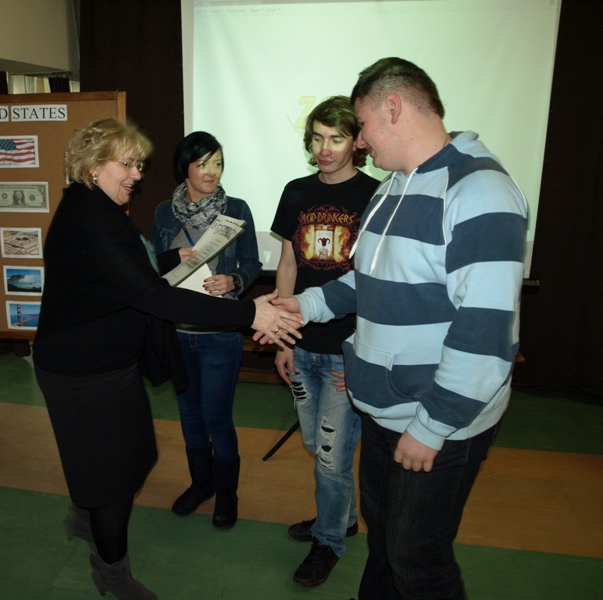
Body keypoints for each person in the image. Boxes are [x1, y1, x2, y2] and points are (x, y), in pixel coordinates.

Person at [266, 57, 528, 599]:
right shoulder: (393, 187)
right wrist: (304, 306)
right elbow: (366, 280)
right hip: (385, 410)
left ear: (392, 107)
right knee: (386, 542)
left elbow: (486, 333)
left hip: (433, 420)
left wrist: (432, 427)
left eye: (361, 126)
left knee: (417, 560)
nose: (359, 142)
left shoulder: (479, 190)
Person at [32, 117, 302, 600]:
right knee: (115, 479)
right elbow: (153, 296)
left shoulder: (94, 207)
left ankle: (83, 518)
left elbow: (131, 278)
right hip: (83, 372)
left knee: (133, 458)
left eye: (139, 164)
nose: (137, 174)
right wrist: (249, 313)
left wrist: (184, 270)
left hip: (107, 366)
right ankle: (111, 572)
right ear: (93, 166)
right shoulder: (91, 218)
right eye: (128, 164)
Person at [271, 96, 379, 587]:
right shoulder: (295, 191)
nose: (324, 149)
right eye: (316, 138)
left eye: (336, 138)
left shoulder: (376, 195)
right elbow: (288, 265)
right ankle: (344, 517)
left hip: (346, 352)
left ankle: (328, 541)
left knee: (332, 458)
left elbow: (375, 279)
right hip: (302, 345)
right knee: (318, 445)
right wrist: (282, 338)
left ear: (357, 142)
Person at [152, 132, 261, 530]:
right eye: (203, 164)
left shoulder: (237, 209)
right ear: (185, 167)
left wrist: (234, 280)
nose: (212, 172)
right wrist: (172, 257)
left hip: (219, 333)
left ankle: (227, 494)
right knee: (189, 415)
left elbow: (252, 263)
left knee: (217, 418)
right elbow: (154, 265)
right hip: (178, 333)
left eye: (218, 163)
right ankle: (201, 484)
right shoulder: (165, 212)